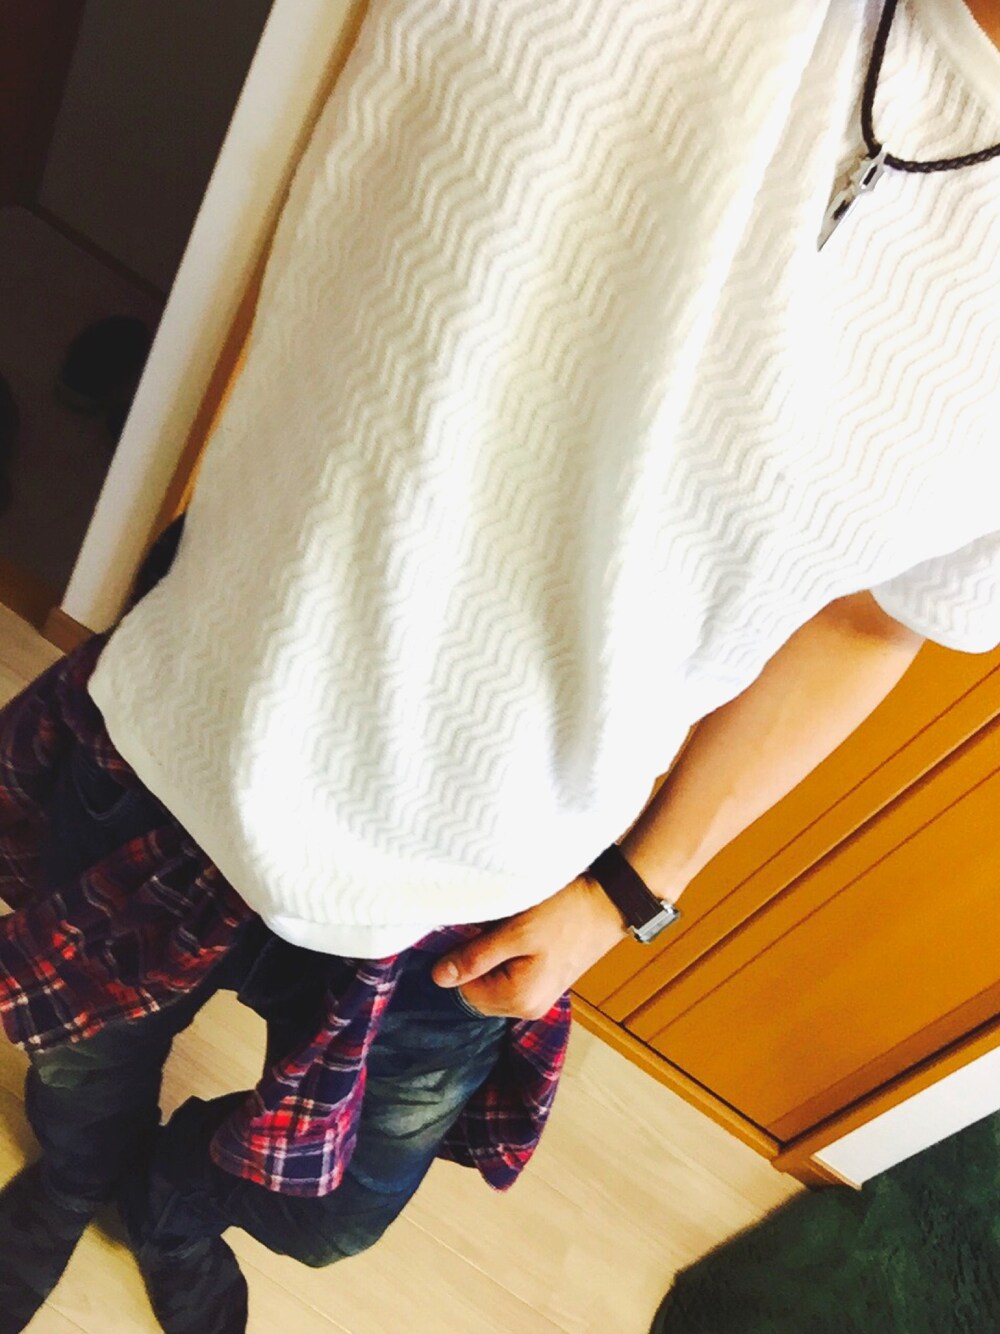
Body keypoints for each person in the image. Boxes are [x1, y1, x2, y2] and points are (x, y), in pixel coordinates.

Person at [1, 1, 999, 1330]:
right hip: (204, 704)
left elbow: (876, 618)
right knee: (78, 1063)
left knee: (335, 1211)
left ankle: (174, 1195)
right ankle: (73, 1179)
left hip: (501, 878)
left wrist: (634, 888)